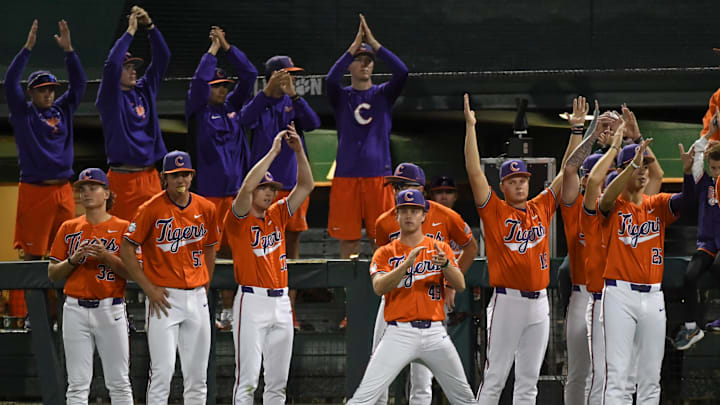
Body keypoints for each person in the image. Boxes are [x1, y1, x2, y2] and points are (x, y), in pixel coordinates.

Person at [464, 93, 594, 404]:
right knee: (495, 378)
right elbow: (473, 172)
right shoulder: (494, 211)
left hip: (539, 304)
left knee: (528, 383)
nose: (520, 184)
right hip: (508, 302)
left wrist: (577, 131)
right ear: (503, 186)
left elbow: (567, 171)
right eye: (513, 180)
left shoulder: (540, 206)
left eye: (523, 178)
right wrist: (470, 128)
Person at [347, 189, 476, 404]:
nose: (409, 215)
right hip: (399, 333)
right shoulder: (385, 252)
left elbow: (460, 285)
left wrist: (445, 265)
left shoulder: (440, 248)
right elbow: (379, 287)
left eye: (415, 210)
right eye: (404, 210)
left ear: (423, 215)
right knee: (363, 397)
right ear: (396, 215)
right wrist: (405, 266)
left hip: (435, 332)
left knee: (464, 397)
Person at [597, 137, 694, 404]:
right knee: (618, 376)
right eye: (636, 166)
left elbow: (687, 201)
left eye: (645, 166)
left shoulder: (657, 204)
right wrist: (630, 165)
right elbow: (605, 198)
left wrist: (687, 173)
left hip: (653, 296)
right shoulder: (613, 205)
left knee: (651, 377)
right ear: (622, 171)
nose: (643, 170)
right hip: (619, 295)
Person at [224, 122, 314, 404]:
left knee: (277, 383)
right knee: (248, 381)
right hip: (251, 301)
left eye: (272, 188)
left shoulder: (277, 214)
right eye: (264, 188)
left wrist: (299, 152)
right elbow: (246, 186)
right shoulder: (238, 218)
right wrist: (274, 152)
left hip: (281, 303)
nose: (269, 192)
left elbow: (306, 185)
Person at [119, 150, 219, 404]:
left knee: (198, 377)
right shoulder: (150, 209)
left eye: (184, 173)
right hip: (164, 298)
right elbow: (126, 248)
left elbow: (210, 247)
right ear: (164, 178)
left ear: (192, 175)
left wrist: (205, 283)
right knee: (162, 373)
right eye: (174, 175)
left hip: (196, 297)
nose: (180, 179)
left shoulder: (206, 208)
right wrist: (147, 288)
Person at [4, 18, 86, 320]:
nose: (48, 94)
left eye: (51, 89)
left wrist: (69, 51)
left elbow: (78, 85)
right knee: (32, 255)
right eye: (41, 90)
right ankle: (25, 316)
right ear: (32, 93)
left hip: (63, 190)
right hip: (35, 191)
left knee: (64, 251)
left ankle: (62, 314)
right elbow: (11, 83)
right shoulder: (24, 114)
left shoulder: (62, 110)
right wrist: (26, 49)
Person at [240, 52, 320, 330]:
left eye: (292, 74)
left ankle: (290, 309)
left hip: (292, 185)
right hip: (264, 186)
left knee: (292, 245)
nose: (291, 78)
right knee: (259, 245)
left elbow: (313, 123)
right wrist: (267, 91)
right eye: (286, 74)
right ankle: (256, 305)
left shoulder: (293, 102)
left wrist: (294, 96)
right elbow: (243, 120)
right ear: (274, 75)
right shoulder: (259, 102)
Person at [186, 25, 258, 330]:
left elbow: (251, 75)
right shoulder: (198, 111)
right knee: (208, 251)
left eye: (224, 85)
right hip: (209, 195)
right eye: (217, 85)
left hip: (236, 194)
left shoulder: (233, 108)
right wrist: (212, 52)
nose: (222, 89)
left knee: (239, 251)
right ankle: (206, 307)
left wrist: (228, 46)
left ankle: (235, 310)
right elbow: (198, 81)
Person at [48, 168, 133, 404]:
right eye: (82, 189)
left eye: (93, 188)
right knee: (76, 385)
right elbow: (53, 273)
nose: (86, 193)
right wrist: (74, 259)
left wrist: (107, 257)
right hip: (75, 309)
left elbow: (133, 273)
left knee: (119, 383)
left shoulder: (124, 227)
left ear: (106, 193)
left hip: (111, 308)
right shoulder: (68, 227)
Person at [326, 14, 408, 258]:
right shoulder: (341, 97)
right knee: (348, 241)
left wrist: (375, 45)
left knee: (380, 239)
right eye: (358, 60)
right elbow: (330, 79)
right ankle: (349, 295)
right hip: (347, 176)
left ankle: (383, 292)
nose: (365, 64)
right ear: (350, 65)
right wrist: (351, 50)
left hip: (378, 175)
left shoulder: (383, 95)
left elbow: (402, 72)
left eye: (368, 61)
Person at [96, 6, 170, 221]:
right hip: (122, 179)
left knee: (155, 235)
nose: (133, 70)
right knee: (122, 238)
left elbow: (163, 58)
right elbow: (111, 64)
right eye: (127, 67)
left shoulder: (144, 89)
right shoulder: (110, 97)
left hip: (151, 177)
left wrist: (150, 26)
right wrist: (130, 31)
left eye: (134, 66)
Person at [674, 138, 720, 349]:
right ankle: (692, 327)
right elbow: (695, 163)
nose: (715, 171)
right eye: (713, 167)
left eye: (719, 168)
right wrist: (708, 137)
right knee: (690, 275)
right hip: (707, 244)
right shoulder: (705, 184)